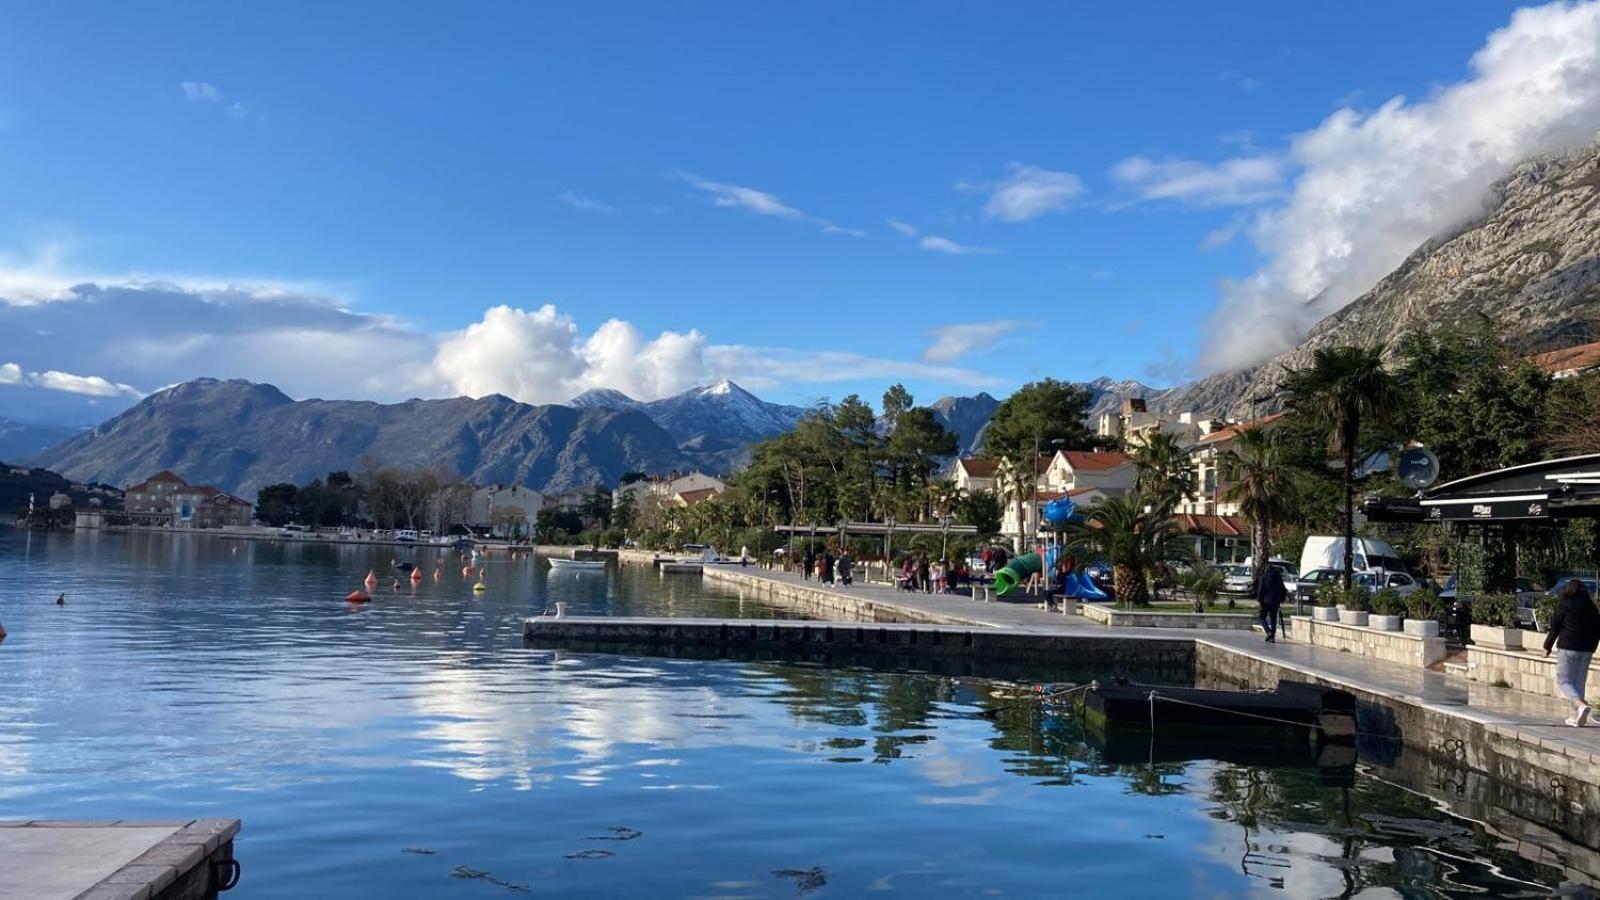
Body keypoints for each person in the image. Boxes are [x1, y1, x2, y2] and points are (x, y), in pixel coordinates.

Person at [1542, 578, 1599, 727]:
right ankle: (1578, 716)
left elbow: (1555, 626)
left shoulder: (1564, 604)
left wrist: (1547, 647)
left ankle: (1580, 706)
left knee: (1564, 681)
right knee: (1579, 683)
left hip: (1568, 646)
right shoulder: (1592, 607)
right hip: (1587, 649)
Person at [1256, 565, 1287, 643]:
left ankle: (1268, 632)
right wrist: (1281, 600)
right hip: (1276, 601)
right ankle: (1272, 636)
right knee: (1273, 618)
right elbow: (1283, 590)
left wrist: (1259, 599)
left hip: (1265, 601)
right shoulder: (1278, 578)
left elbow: (1261, 590)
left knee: (1261, 617)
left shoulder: (1263, 577)